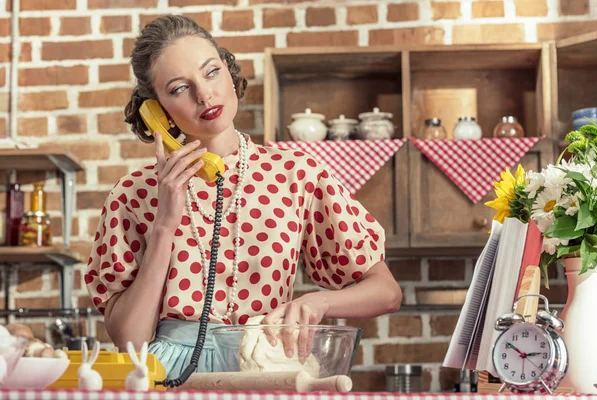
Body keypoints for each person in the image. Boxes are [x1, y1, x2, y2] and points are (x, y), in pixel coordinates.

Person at [84, 14, 402, 380]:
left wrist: (319, 300)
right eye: (178, 88)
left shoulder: (296, 173)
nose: (204, 94)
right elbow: (129, 343)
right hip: (169, 376)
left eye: (211, 72)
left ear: (229, 72)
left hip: (267, 368)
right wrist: (165, 224)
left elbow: (387, 291)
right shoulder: (133, 194)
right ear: (156, 111)